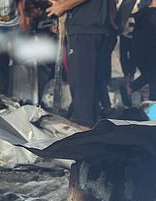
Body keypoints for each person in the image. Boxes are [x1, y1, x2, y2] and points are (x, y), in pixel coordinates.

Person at [47, 0, 111, 128]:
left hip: (86, 27)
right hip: (91, 27)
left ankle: (83, 125)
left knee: (82, 81)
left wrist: (62, 6)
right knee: (89, 82)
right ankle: (89, 124)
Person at [119, 0, 156, 105]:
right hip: (153, 53)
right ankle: (152, 103)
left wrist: (129, 68)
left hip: (138, 53)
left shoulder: (140, 16)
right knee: (154, 79)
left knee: (150, 76)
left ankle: (130, 89)